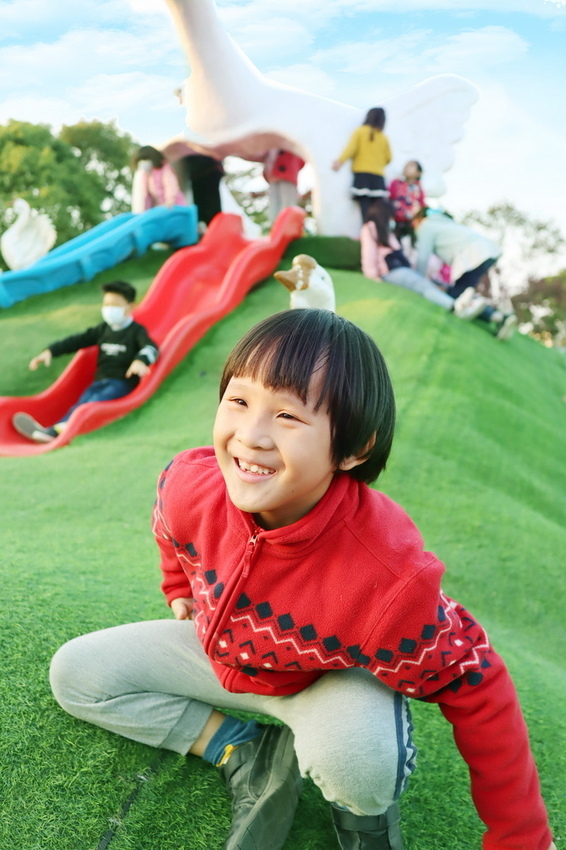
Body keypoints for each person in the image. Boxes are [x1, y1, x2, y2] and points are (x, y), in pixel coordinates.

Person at [49, 309, 555, 850]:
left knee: (357, 763)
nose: (251, 435)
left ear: (355, 447)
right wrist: (177, 587)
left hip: (325, 681)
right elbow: (168, 529)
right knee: (77, 674)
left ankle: (367, 827)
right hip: (221, 661)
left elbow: (474, 676)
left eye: (288, 416)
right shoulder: (189, 484)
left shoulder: (387, 577)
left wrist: (520, 834)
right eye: (239, 401)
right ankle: (240, 748)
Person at [13, 280, 159, 443]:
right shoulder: (103, 329)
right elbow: (77, 340)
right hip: (99, 382)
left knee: (89, 405)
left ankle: (54, 432)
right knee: (81, 404)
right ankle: (54, 430)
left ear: (130, 306)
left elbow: (151, 348)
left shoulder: (136, 331)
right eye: (107, 304)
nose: (110, 309)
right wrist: (51, 351)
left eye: (115, 305)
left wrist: (140, 360)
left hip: (121, 383)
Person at [361, 199, 487, 320]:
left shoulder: (387, 231)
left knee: (433, 284)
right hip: (390, 271)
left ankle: (472, 307)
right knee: (422, 285)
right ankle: (455, 307)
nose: (392, 219)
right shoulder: (370, 227)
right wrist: (372, 275)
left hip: (401, 268)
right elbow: (369, 252)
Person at [412, 207, 517, 340]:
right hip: (487, 251)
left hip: (473, 254)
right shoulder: (443, 222)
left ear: (419, 219)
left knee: (459, 294)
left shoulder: (426, 226)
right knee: (462, 291)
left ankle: (495, 316)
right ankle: (498, 317)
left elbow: (423, 257)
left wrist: (418, 280)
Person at [332, 107, 392, 223]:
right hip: (378, 177)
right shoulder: (384, 138)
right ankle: (378, 235)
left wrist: (340, 161)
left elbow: (351, 149)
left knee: (365, 209)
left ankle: (367, 234)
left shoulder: (360, 131)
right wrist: (377, 163)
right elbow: (389, 158)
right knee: (377, 211)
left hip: (362, 175)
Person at [131, 145, 186, 213]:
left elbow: (171, 186)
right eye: (141, 160)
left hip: (175, 206)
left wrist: (170, 200)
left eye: (145, 159)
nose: (143, 162)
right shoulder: (146, 176)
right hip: (162, 208)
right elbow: (147, 197)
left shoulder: (165, 170)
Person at [388, 161, 426, 247]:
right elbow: (390, 198)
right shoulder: (396, 183)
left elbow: (422, 205)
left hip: (412, 224)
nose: (406, 168)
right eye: (406, 166)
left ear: (418, 172)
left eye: (411, 166)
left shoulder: (419, 188)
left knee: (411, 246)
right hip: (396, 221)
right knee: (395, 245)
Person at [263, 149, 306, 222]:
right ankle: (279, 227)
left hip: (286, 175)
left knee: (285, 204)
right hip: (276, 176)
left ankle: (285, 225)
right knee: (278, 205)